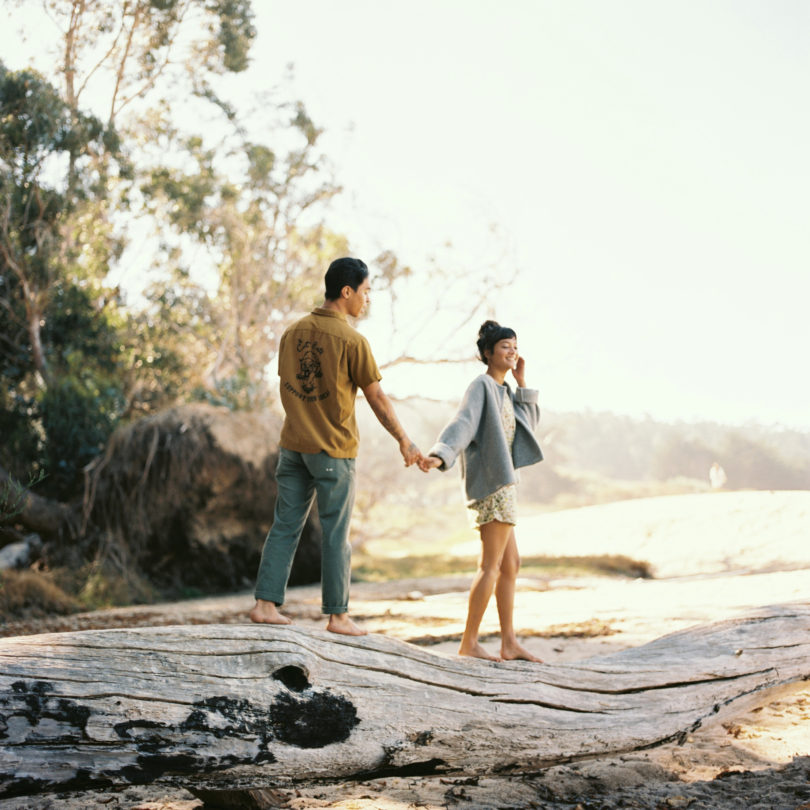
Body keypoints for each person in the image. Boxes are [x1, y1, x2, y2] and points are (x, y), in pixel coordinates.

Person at [250, 257, 423, 636]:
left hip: (293, 446)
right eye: (366, 292)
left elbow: (287, 384)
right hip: (332, 451)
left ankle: (265, 605)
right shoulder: (352, 341)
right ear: (347, 291)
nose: (367, 300)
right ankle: (338, 617)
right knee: (335, 534)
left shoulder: (292, 332)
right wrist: (405, 442)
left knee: (284, 526)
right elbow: (377, 399)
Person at [420, 320, 544, 662]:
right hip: (491, 485)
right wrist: (440, 454)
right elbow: (462, 423)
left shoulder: (504, 391)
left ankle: (508, 642)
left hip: (506, 485)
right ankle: (470, 642)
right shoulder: (481, 386)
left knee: (511, 564)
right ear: (487, 353)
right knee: (490, 565)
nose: (512, 351)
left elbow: (528, 430)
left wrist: (521, 384)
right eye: (505, 346)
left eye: (515, 346)